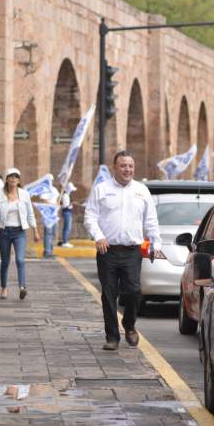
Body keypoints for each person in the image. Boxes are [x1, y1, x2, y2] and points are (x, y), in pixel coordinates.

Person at [84, 150, 161, 351]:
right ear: (114, 167)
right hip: (107, 250)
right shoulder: (101, 189)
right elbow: (90, 216)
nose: (127, 169)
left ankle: (129, 325)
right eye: (123, 166)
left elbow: (151, 220)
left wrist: (155, 243)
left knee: (134, 291)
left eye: (130, 166)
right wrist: (98, 236)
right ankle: (112, 337)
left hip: (132, 251)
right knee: (109, 294)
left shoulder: (142, 190)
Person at [0, 167, 40, 300]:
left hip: (19, 232)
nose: (13, 178)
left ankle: (22, 287)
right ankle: (4, 288)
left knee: (20, 259)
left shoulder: (24, 194)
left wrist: (35, 230)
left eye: (16, 176)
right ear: (6, 179)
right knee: (5, 261)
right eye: (11, 176)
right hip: (4, 231)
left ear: (19, 180)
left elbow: (30, 213)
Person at [38, 174, 60, 258]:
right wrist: (52, 205)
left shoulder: (54, 189)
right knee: (48, 233)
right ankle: (47, 251)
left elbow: (57, 199)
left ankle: (50, 250)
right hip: (48, 215)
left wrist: (57, 204)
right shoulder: (45, 189)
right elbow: (43, 200)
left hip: (54, 214)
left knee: (53, 233)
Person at [59, 182, 76, 248]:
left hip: (67, 212)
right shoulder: (65, 196)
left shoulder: (66, 195)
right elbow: (65, 206)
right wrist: (71, 204)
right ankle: (65, 241)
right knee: (67, 228)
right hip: (67, 212)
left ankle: (65, 241)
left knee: (67, 227)